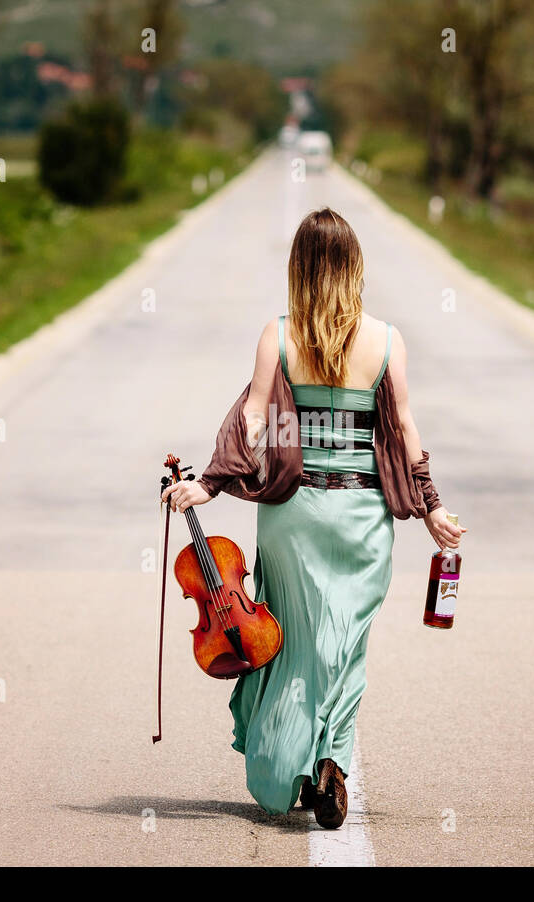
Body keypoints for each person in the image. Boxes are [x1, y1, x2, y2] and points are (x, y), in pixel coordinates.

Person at [161, 207, 465, 829]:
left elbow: (251, 419)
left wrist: (208, 484)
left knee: (292, 646)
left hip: (293, 516)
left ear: (298, 268)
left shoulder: (278, 334)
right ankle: (331, 759)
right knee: (343, 649)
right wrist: (431, 506)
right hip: (364, 519)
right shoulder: (386, 340)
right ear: (355, 267)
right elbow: (404, 430)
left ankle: (285, 766)